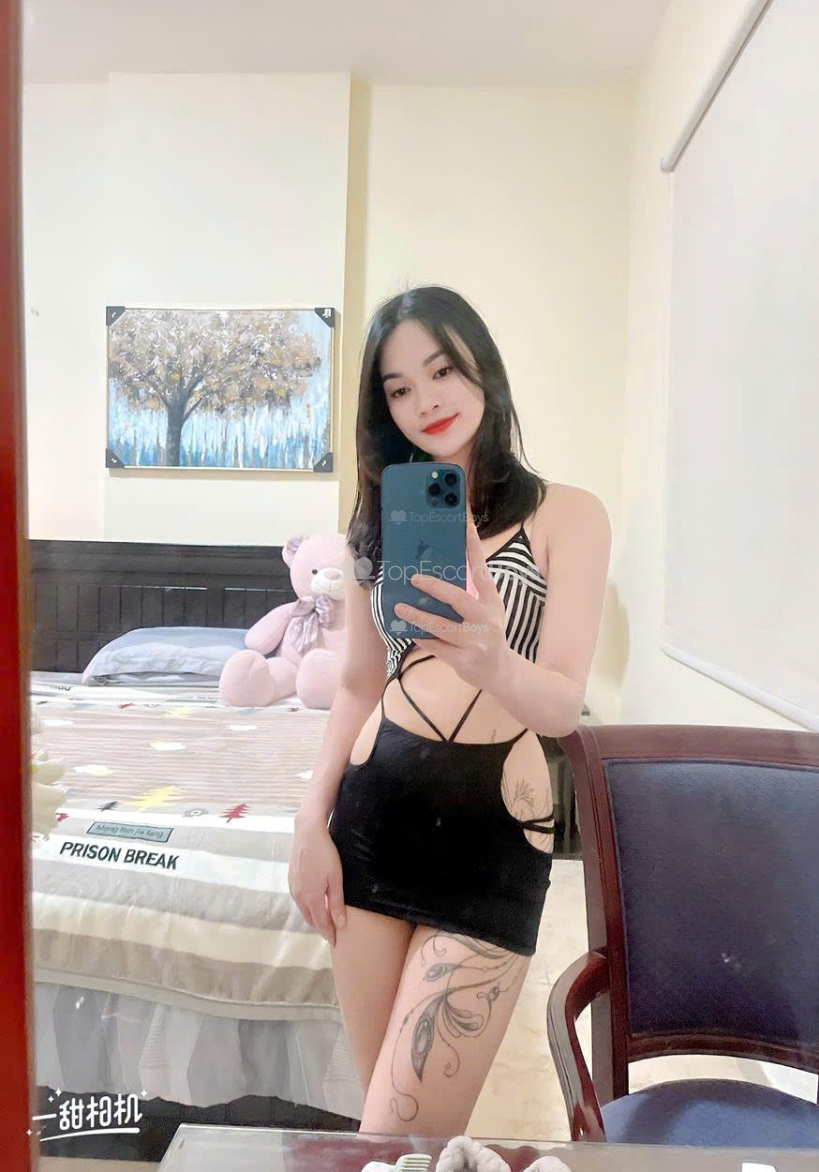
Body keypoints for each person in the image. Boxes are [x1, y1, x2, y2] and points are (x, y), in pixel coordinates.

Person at [288, 285, 611, 1136]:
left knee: (400, 1132)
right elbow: (358, 684)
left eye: (441, 370)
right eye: (398, 388)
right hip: (371, 822)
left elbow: (564, 705)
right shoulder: (381, 521)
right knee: (393, 1143)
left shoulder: (568, 515)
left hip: (491, 835)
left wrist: (491, 659)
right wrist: (309, 823)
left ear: (482, 369)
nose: (424, 400)